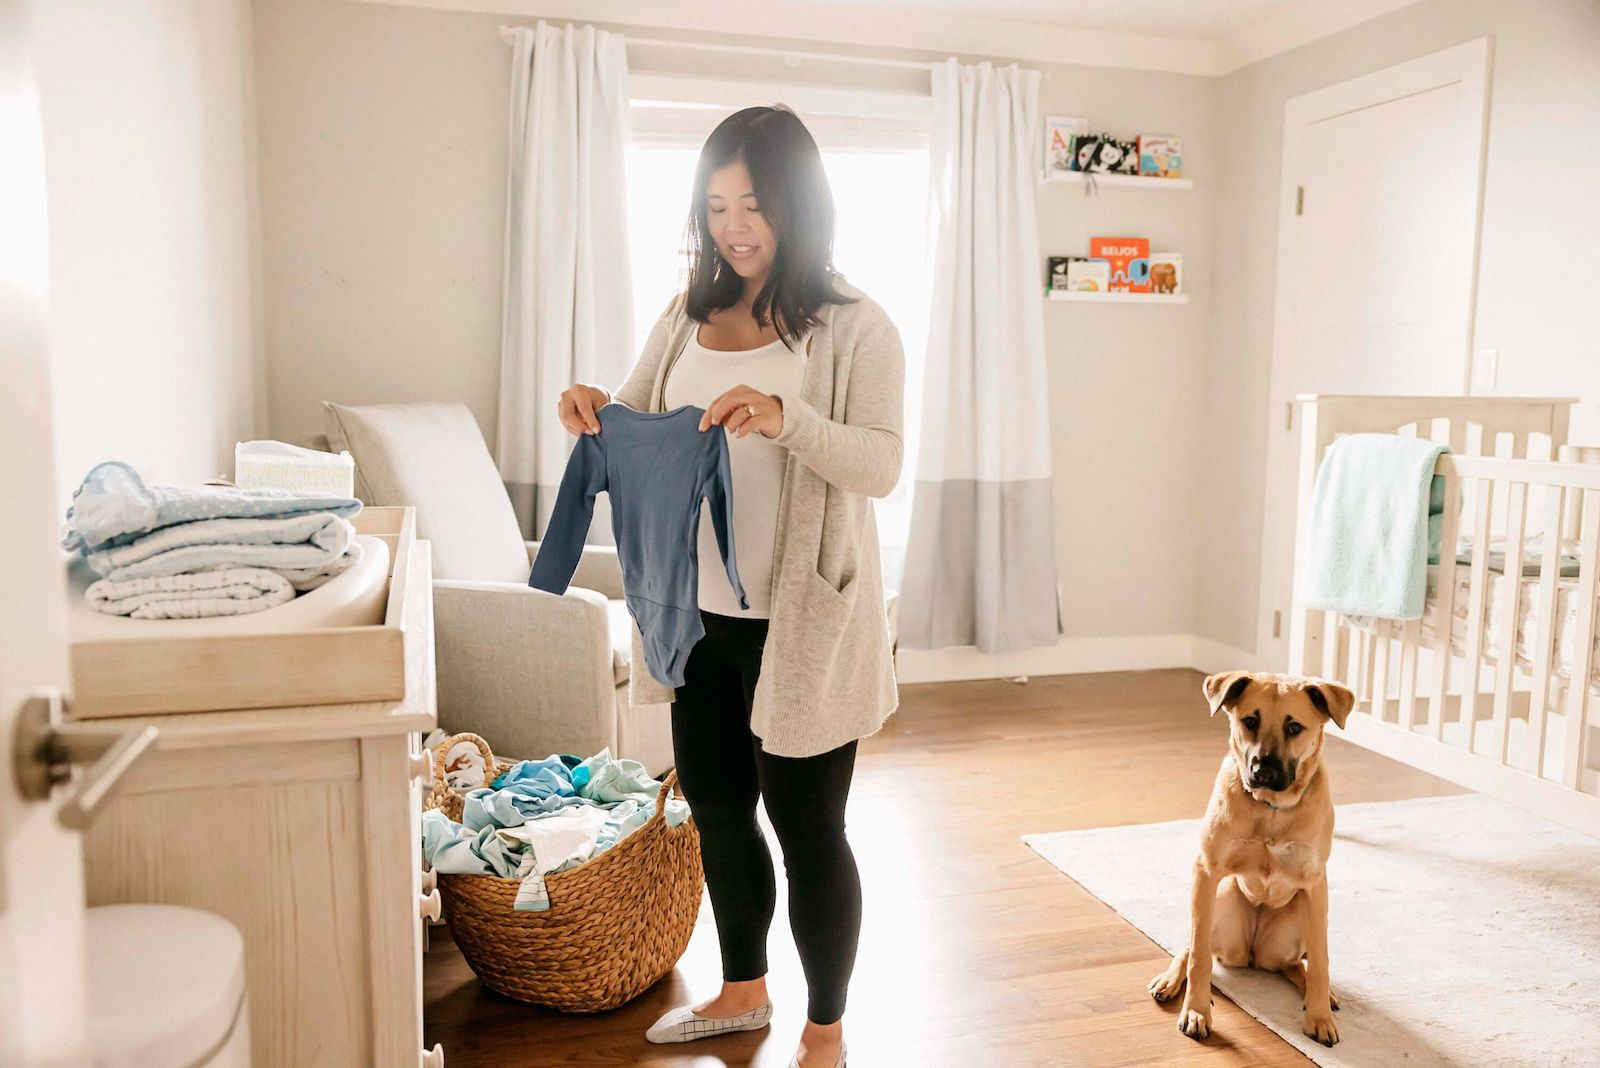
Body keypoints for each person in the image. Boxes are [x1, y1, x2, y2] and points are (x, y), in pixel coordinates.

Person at [556, 104, 904, 1068]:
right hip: (696, 612)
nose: (734, 227)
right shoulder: (685, 312)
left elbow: (880, 465)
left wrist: (787, 417)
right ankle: (742, 991)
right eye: (716, 207)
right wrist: (591, 407)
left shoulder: (857, 326)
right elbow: (634, 413)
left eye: (752, 204)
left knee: (808, 827)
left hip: (805, 623)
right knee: (715, 808)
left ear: (798, 202)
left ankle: (825, 1030)